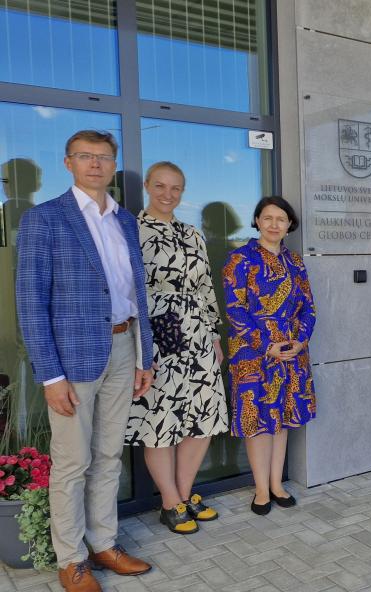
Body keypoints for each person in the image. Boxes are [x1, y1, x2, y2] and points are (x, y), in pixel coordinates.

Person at [16, 130, 154, 592]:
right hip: (72, 360)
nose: (95, 164)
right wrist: (50, 375)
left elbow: (138, 295)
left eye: (103, 157)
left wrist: (143, 355)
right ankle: (71, 560)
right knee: (72, 462)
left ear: (113, 164)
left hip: (122, 347)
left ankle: (104, 544)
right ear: (68, 162)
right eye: (85, 156)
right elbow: (31, 302)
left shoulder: (126, 221)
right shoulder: (45, 219)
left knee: (109, 455)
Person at [124, 162, 229, 534]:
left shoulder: (191, 233)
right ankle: (169, 502)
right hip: (158, 332)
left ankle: (183, 495)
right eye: (161, 186)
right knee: (161, 418)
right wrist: (140, 343)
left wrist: (215, 334)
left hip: (199, 332)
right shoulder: (131, 229)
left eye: (176, 188)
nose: (168, 194)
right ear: (149, 187)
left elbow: (205, 286)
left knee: (202, 417)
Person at [223, 196, 316, 515]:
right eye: (268, 218)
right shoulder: (240, 259)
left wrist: (301, 341)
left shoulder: (296, 262)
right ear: (257, 221)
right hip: (253, 354)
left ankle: (277, 483)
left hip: (291, 352)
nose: (274, 224)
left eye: (281, 219)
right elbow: (235, 309)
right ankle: (261, 488)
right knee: (258, 421)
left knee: (283, 419)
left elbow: (309, 307)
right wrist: (266, 345)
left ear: (290, 225)